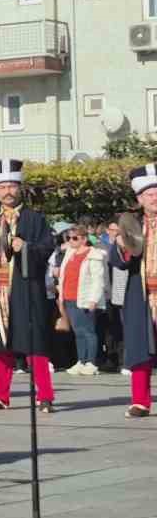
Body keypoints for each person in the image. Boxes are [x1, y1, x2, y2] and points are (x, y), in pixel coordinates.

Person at [0, 159, 58, 413]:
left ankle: (45, 396)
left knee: (35, 343)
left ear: (19, 188)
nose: (7, 191)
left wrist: (26, 248)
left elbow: (47, 248)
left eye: (11, 186)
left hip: (25, 289)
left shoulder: (35, 218)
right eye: (2, 187)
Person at [107, 163, 156, 417]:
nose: (155, 198)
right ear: (139, 199)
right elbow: (119, 262)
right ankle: (140, 401)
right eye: (150, 194)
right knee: (139, 347)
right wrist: (120, 245)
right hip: (141, 293)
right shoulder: (132, 224)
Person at [56, 224, 108, 376]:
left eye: (74, 238)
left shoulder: (94, 255)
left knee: (88, 331)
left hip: (84, 297)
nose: (70, 241)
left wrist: (93, 299)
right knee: (78, 332)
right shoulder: (70, 253)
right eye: (69, 238)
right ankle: (81, 360)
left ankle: (91, 362)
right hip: (68, 297)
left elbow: (98, 280)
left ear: (84, 239)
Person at [104, 218, 129, 373]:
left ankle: (124, 361)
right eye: (113, 230)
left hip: (120, 292)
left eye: (118, 230)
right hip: (107, 293)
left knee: (124, 327)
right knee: (111, 329)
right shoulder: (101, 247)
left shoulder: (124, 246)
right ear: (108, 231)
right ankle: (112, 359)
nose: (116, 233)